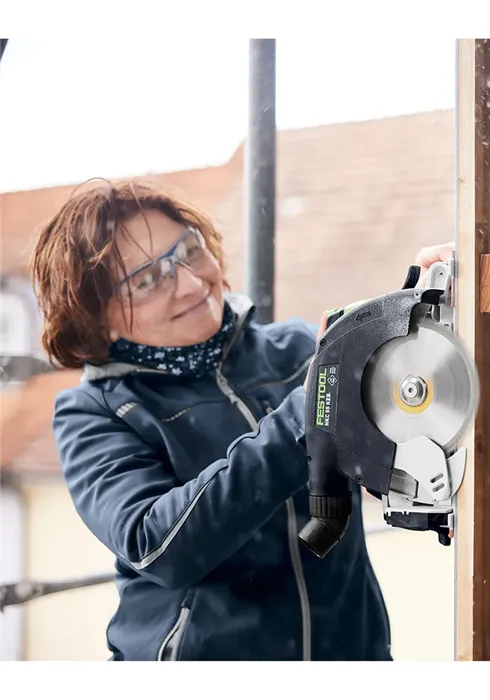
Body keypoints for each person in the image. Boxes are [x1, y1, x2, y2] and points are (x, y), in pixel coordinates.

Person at [29, 179, 455, 662]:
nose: (191, 283)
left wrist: (421, 317)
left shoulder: (298, 350)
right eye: (147, 281)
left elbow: (400, 444)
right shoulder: (94, 412)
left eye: (189, 250)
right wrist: (307, 415)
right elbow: (158, 547)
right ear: (94, 318)